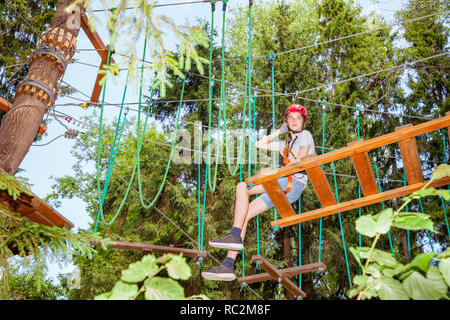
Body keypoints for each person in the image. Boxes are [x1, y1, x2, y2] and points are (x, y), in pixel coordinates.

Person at [201, 104, 315, 281]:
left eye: (298, 118)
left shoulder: (305, 136)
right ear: (286, 121)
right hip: (281, 187)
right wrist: (279, 131)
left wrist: (272, 173)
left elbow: (300, 160)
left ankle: (234, 234)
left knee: (242, 186)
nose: (294, 121)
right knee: (245, 214)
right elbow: (259, 144)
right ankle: (228, 265)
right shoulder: (286, 143)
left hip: (292, 183)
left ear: (303, 121)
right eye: (290, 118)